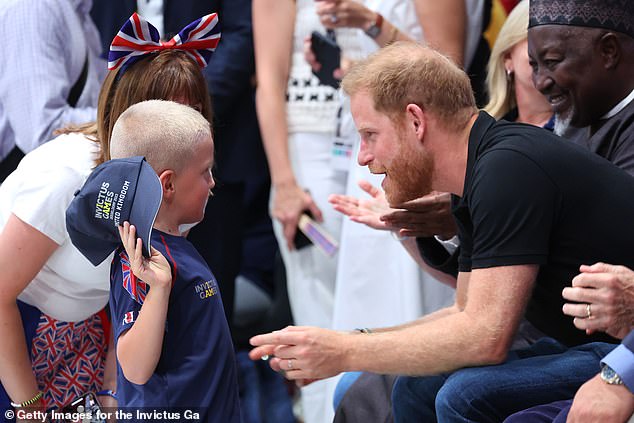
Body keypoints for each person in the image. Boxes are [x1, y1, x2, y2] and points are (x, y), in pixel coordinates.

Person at [249, 41, 634, 422]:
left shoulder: (507, 168)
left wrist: (343, 350)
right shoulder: (484, 166)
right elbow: (465, 313)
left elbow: (486, 338)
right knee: (417, 388)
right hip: (585, 343)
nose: (363, 156)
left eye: (369, 135)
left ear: (416, 121)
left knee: (465, 395)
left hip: (621, 347)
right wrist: (353, 340)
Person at [0, 13, 216, 419]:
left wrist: (113, 382)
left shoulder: (179, 177)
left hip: (92, 340)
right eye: (169, 110)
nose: (185, 126)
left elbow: (130, 283)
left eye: (196, 109)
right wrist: (28, 408)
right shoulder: (67, 176)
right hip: (15, 342)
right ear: (127, 110)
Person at [67, 100, 241, 421]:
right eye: (205, 172)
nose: (213, 182)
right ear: (168, 184)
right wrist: (159, 290)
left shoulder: (172, 244)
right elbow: (134, 367)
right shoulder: (145, 262)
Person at [0, 0, 104, 182]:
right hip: (24, 185)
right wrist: (124, 118)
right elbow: (41, 131)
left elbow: (92, 82)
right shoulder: (33, 8)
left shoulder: (73, 7)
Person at [527, 0, 634, 172]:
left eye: (551, 62)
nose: (540, 83)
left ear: (609, 51)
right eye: (534, 65)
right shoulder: (572, 124)